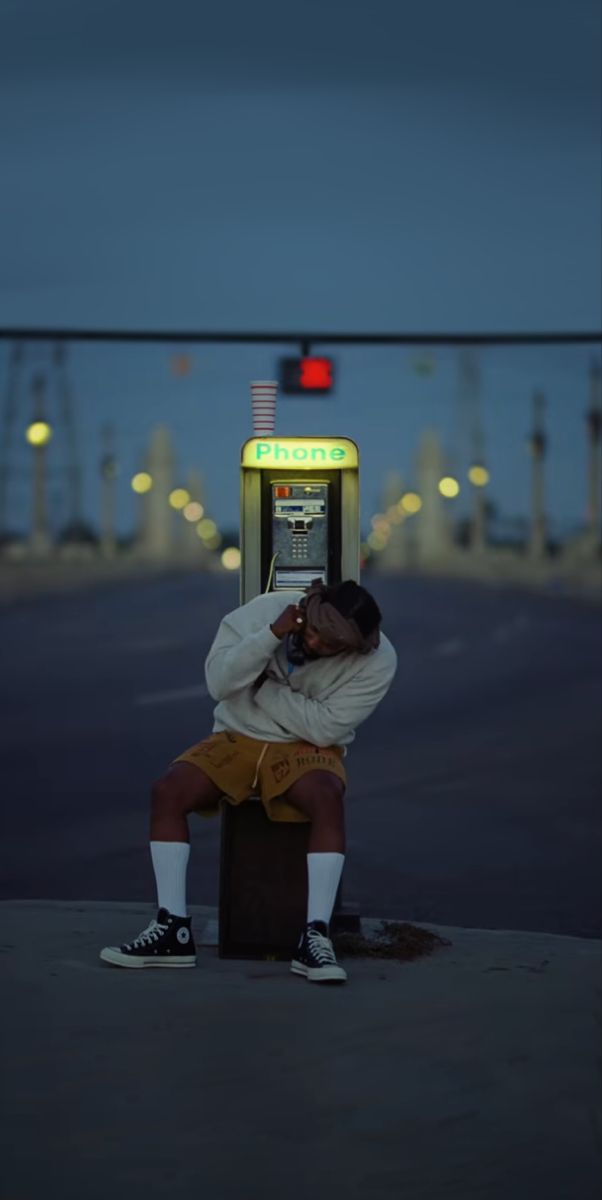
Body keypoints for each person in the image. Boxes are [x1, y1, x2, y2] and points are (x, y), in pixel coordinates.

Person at [100, 578, 397, 983]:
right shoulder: (262, 612)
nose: (314, 643)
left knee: (327, 798)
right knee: (168, 791)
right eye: (310, 631)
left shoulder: (378, 660)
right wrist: (271, 635)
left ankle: (315, 937)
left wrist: (259, 688)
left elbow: (325, 728)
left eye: (331, 645)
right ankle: (172, 929)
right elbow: (219, 684)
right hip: (237, 736)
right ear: (304, 610)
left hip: (302, 749)